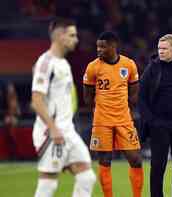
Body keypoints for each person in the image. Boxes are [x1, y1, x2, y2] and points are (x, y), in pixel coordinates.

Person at [31, 17, 96, 197]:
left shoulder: (64, 64)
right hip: (52, 133)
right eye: (72, 35)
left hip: (68, 131)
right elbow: (36, 99)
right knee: (48, 183)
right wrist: (53, 128)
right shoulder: (45, 63)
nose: (76, 39)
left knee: (86, 177)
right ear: (60, 36)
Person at [83, 31, 143, 197]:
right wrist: (98, 110)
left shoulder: (128, 64)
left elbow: (134, 90)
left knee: (136, 160)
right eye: (97, 46)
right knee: (104, 161)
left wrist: (125, 106)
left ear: (113, 46)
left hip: (124, 120)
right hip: (102, 121)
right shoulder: (93, 67)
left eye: (103, 46)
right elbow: (87, 96)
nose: (99, 50)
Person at [138, 34, 172, 197]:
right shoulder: (152, 68)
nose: (160, 52)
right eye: (159, 49)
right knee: (157, 166)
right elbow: (141, 96)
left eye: (164, 49)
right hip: (159, 125)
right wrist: (150, 120)